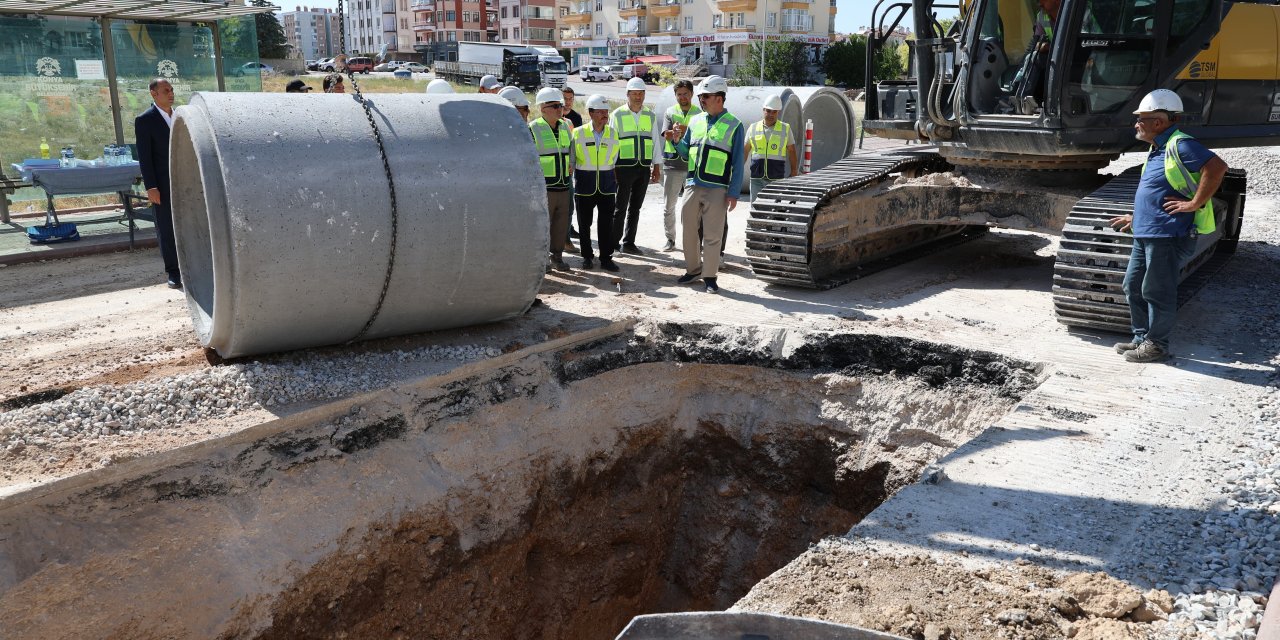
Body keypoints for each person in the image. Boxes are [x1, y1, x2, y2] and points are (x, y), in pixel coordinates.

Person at [1108, 89, 1227, 363]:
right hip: (1145, 230)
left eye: (1142, 118)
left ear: (1159, 122)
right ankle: (1141, 339)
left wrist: (1194, 203)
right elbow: (1156, 190)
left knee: (1156, 290)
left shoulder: (1181, 145)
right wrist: (1135, 217)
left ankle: (1157, 345)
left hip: (1166, 233)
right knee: (1133, 286)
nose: (1136, 123)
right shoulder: (1157, 148)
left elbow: (1217, 167)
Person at [670, 75, 744, 294]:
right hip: (692, 184)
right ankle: (693, 269)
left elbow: (738, 163)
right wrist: (676, 141)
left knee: (713, 234)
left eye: (705, 96)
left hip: (717, 187)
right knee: (689, 230)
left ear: (719, 98)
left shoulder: (734, 125)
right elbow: (685, 152)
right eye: (701, 97)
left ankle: (710, 276)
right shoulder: (695, 121)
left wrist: (733, 193)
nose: (701, 100)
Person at [134, 79, 181, 289]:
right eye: (165, 91)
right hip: (162, 184)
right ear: (154, 94)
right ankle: (173, 271)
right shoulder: (145, 120)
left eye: (171, 90)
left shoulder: (181, 116)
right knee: (167, 227)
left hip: (187, 182)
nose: (170, 94)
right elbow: (145, 157)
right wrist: (151, 186)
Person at [572, 94, 621, 272]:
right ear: (591, 113)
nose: (604, 115)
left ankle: (606, 257)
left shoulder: (613, 133)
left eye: (606, 112)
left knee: (606, 224)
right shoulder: (578, 133)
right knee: (584, 223)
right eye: (600, 112)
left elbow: (614, 158)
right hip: (585, 184)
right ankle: (587, 256)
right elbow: (572, 159)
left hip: (607, 185)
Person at [610, 76, 659, 255]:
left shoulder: (650, 115)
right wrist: (612, 168)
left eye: (641, 93)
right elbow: (612, 142)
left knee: (635, 207)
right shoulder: (617, 115)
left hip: (643, 168)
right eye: (634, 94)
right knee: (620, 207)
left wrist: (657, 167)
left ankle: (629, 242)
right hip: (623, 168)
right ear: (627, 94)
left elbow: (655, 142)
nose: (638, 97)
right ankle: (613, 243)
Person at [531, 87, 574, 273]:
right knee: (543, 226)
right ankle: (542, 260)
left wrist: (571, 165)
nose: (560, 109)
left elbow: (570, 151)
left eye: (561, 106)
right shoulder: (533, 128)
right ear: (543, 108)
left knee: (561, 225)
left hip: (563, 185)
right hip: (544, 188)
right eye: (555, 106)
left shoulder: (565, 126)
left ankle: (557, 257)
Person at [658, 79, 700, 251]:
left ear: (692, 94)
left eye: (685, 94)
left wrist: (683, 129)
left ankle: (693, 241)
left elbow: (700, 135)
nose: (682, 97)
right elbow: (666, 134)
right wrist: (676, 131)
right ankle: (670, 239)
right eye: (679, 94)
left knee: (692, 208)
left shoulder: (699, 113)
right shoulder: (670, 111)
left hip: (692, 165)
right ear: (675, 95)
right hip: (672, 165)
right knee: (669, 205)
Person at [744, 93, 797, 202]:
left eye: (774, 112)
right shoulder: (753, 128)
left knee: (774, 209)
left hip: (776, 179)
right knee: (756, 209)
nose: (771, 114)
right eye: (768, 111)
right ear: (763, 109)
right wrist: (737, 171)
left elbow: (792, 151)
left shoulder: (785, 129)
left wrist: (794, 171)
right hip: (756, 179)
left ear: (778, 112)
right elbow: (745, 151)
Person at [561, 85, 582, 252]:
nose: (568, 102)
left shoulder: (575, 118)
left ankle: (567, 233)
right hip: (556, 168)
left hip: (571, 166)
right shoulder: (553, 119)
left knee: (570, 203)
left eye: (570, 99)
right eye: (565, 99)